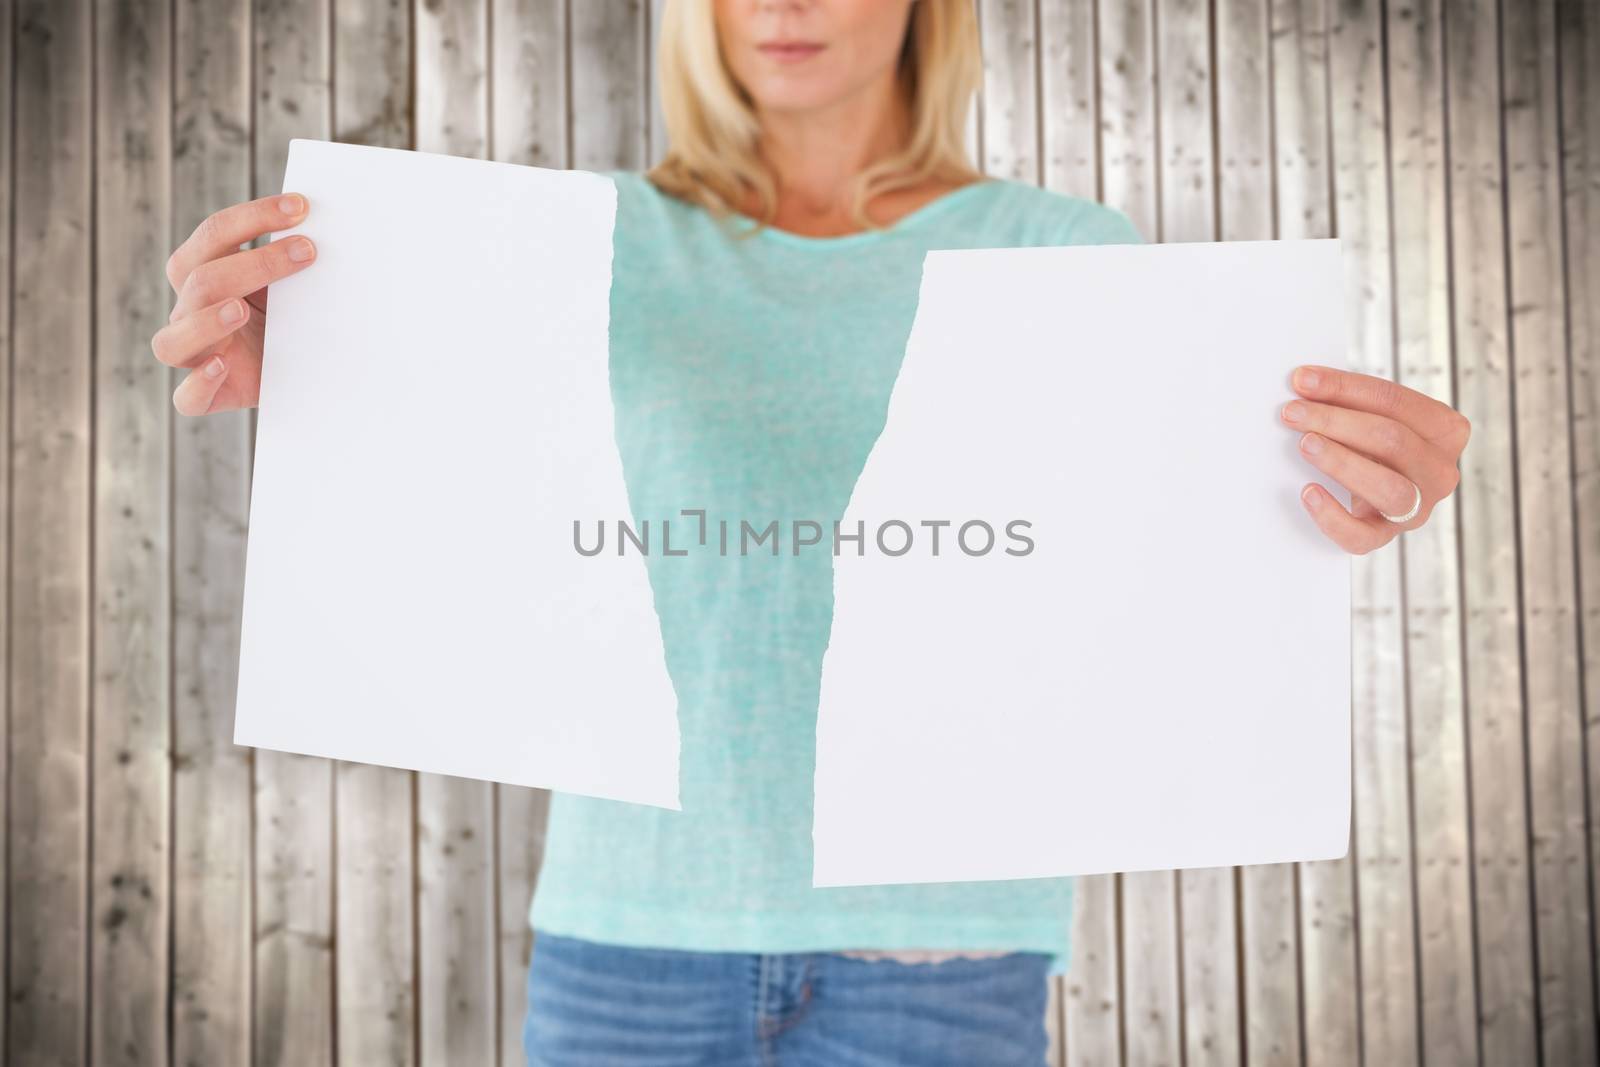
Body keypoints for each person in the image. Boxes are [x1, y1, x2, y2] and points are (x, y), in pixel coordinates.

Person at [153, 0, 1471, 1062]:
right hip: (629, 941)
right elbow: (470, 547)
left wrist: (1339, 501)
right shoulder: (567, 249)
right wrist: (330, 370)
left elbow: (1146, 592)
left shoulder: (1064, 250)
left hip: (943, 962)